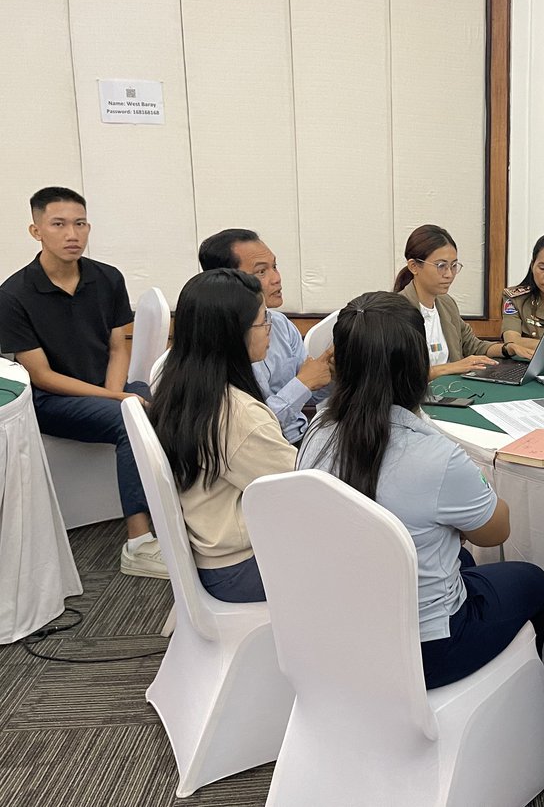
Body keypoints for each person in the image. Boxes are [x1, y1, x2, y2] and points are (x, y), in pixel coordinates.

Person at [298, 291, 544, 688]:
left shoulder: (318, 428)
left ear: (338, 362)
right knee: (531, 580)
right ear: (419, 366)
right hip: (424, 650)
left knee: (460, 560)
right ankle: (534, 694)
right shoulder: (436, 455)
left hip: (334, 631)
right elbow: (495, 532)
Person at [0, 187, 165, 578]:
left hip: (108, 388)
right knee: (130, 417)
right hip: (51, 401)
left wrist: (115, 394)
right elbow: (42, 376)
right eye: (58, 224)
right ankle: (139, 542)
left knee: (165, 405)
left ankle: (180, 515)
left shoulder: (107, 278)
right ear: (36, 231)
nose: (72, 234)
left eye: (80, 224)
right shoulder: (13, 295)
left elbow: (118, 347)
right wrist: (115, 399)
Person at [149, 269, 297, 602]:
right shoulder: (239, 416)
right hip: (242, 567)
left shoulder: (180, 383)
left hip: (213, 553)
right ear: (232, 334)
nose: (269, 329)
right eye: (262, 321)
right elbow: (303, 493)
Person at [198, 229, 331, 443]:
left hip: (299, 436)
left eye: (274, 267)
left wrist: (330, 375)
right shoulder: (217, 340)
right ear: (226, 281)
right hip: (259, 447)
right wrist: (303, 383)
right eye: (261, 271)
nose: (276, 279)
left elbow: (310, 394)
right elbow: (250, 429)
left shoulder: (280, 324)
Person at [393, 224, 520, 377]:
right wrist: (452, 367)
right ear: (414, 266)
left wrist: (508, 348)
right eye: (441, 266)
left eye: (453, 265)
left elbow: (473, 346)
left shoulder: (446, 303)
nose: (449, 274)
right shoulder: (395, 312)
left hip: (451, 388)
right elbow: (398, 375)